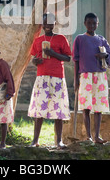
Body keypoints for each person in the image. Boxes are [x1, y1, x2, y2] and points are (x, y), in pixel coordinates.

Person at [28, 13, 71, 149]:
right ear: (42, 24)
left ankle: (59, 141)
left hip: (57, 77)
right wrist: (35, 61)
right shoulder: (38, 40)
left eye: (51, 23)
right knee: (39, 109)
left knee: (58, 110)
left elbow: (68, 58)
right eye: (45, 23)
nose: (48, 25)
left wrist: (53, 54)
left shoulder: (61, 39)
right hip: (42, 77)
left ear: (55, 24)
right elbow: (34, 58)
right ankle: (35, 140)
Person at [73, 12, 110, 144]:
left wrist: (104, 56)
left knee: (98, 107)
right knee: (86, 107)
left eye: (94, 23)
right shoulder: (79, 39)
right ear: (85, 23)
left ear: (98, 24)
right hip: (85, 76)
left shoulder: (102, 40)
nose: (91, 25)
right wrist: (75, 79)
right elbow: (76, 60)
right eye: (89, 23)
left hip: (100, 76)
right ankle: (88, 135)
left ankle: (97, 136)